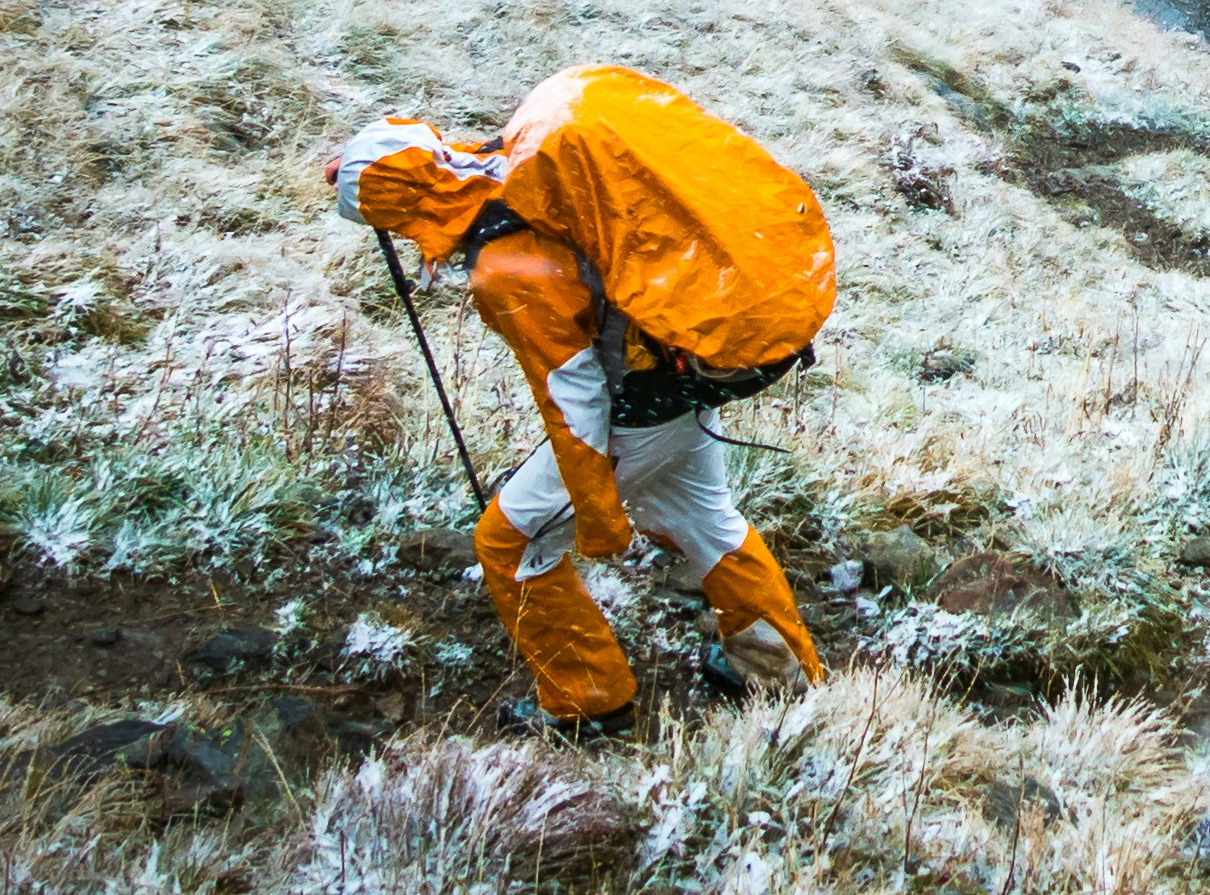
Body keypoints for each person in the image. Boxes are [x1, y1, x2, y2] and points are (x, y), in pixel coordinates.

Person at [329, 63, 833, 734]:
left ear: (402, 211)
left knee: (507, 543)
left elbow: (573, 395)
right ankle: (782, 670)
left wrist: (598, 514)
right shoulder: (518, 163)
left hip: (637, 414)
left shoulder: (505, 264)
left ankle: (587, 698)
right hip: (686, 381)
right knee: (708, 522)